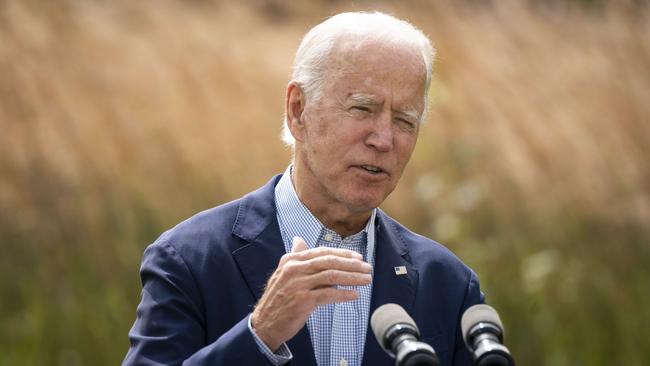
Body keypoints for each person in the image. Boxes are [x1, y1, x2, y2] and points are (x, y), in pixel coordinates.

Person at [124, 11, 484, 366]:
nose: (383, 139)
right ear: (298, 110)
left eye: (405, 120)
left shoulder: (449, 283)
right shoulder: (188, 259)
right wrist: (259, 334)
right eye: (361, 108)